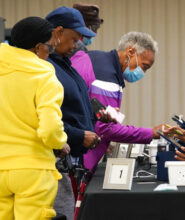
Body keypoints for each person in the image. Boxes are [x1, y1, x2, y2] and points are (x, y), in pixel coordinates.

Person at [0, 17, 69, 220]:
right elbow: (50, 129)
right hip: (33, 169)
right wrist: (60, 142)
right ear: (38, 48)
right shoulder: (44, 75)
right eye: (49, 49)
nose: (49, 56)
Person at [45, 7, 108, 220]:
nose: (77, 45)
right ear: (58, 32)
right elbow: (46, 120)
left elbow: (73, 105)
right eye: (74, 39)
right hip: (54, 159)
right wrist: (79, 135)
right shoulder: (46, 68)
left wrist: (97, 115)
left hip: (71, 159)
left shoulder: (65, 64)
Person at [71, 31, 162, 171]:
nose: (143, 73)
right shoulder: (106, 78)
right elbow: (105, 128)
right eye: (144, 66)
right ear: (130, 52)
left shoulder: (95, 58)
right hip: (75, 155)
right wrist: (151, 133)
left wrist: (104, 142)